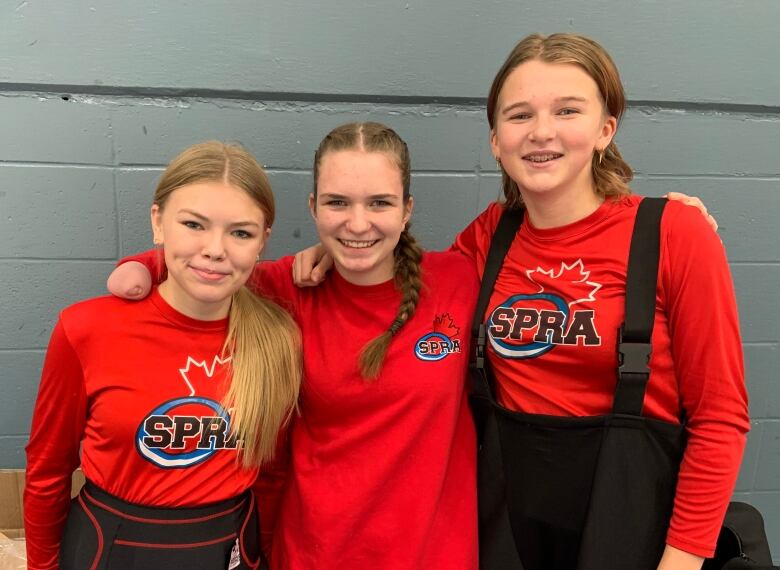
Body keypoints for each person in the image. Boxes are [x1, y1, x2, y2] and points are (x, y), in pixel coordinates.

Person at [291, 35, 748, 570]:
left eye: (567, 110)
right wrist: (335, 248)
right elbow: (398, 271)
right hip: (509, 534)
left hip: (633, 530)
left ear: (606, 129)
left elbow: (720, 419)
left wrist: (683, 561)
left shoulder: (675, 233)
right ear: (495, 141)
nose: (541, 132)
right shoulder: (489, 237)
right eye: (519, 115)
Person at [107, 122, 482, 569]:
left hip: (434, 554)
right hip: (315, 552)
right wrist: (144, 263)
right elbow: (208, 263)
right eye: (337, 203)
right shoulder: (287, 287)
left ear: (406, 210)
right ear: (313, 207)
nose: (357, 223)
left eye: (379, 202)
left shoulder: (460, 278)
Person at [24, 141, 302, 570]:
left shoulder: (278, 340)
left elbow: (273, 474)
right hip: (110, 547)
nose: (215, 249)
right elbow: (47, 472)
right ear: (158, 222)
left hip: (231, 547)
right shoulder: (85, 329)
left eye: (240, 232)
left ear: (263, 240)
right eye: (193, 224)